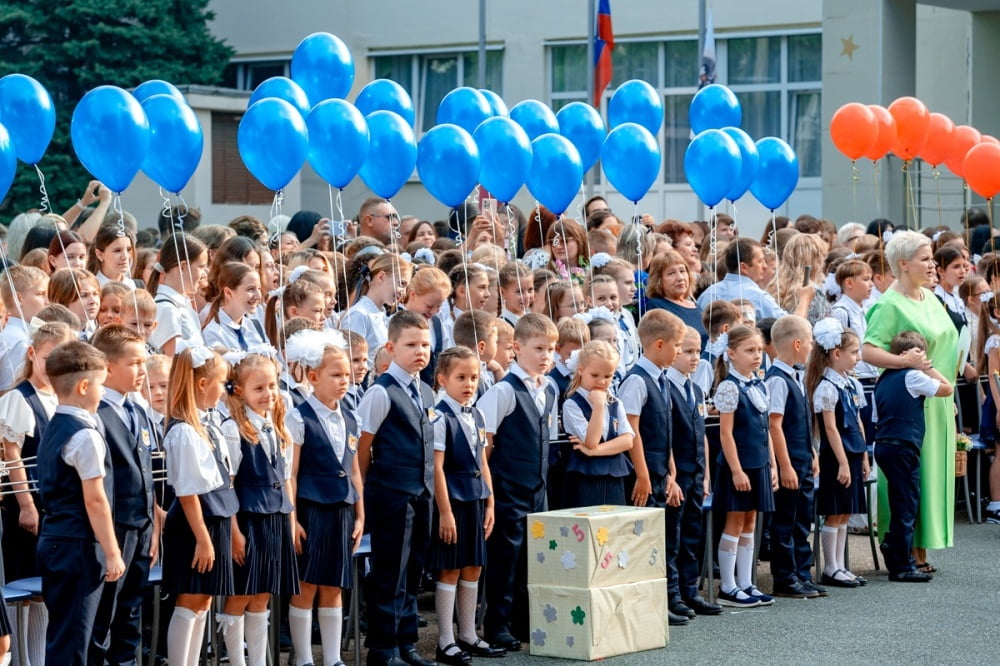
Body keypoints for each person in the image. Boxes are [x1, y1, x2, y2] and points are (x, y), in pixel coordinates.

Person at [863, 231, 959, 566]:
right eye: (924, 258)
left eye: (932, 257)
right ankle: (905, 550)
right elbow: (868, 349)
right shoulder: (888, 304)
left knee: (932, 474)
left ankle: (923, 545)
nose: (932, 264)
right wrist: (905, 362)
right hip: (911, 401)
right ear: (902, 264)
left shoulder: (929, 297)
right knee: (911, 476)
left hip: (940, 399)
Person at [37, 340, 125, 664]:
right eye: (101, 383)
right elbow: (95, 501)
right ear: (85, 385)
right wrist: (113, 552)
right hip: (79, 546)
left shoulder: (55, 424)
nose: (103, 391)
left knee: (74, 637)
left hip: (58, 541)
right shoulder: (84, 435)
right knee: (74, 642)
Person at [355, 310, 434, 666]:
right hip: (390, 494)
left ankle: (407, 643)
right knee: (389, 571)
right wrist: (366, 495)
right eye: (411, 344)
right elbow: (362, 449)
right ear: (391, 347)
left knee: (413, 569)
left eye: (425, 344)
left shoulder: (426, 391)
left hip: (422, 492)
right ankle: (383, 649)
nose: (420, 351)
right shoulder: (380, 392)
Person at [284, 330, 365, 666]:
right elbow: (290, 472)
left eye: (346, 374)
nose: (343, 380)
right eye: (335, 374)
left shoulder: (351, 416)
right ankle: (303, 658)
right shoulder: (298, 416)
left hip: (343, 509)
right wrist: (292, 520)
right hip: (311, 509)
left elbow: (356, 470)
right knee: (307, 585)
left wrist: (361, 514)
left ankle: (332, 659)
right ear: (314, 376)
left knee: (334, 585)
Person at [479, 314, 558, 651]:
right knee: (504, 560)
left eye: (551, 349)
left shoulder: (550, 388)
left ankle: (527, 624)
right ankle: (497, 625)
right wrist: (491, 495)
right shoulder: (502, 392)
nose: (546, 356)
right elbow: (485, 445)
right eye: (538, 348)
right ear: (516, 348)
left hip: (537, 489)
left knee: (534, 559)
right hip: (507, 488)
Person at [218, 349, 299, 666]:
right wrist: (235, 533)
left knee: (263, 594)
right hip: (249, 521)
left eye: (272, 386)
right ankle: (237, 660)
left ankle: (258, 661)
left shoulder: (279, 427)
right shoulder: (233, 428)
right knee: (240, 594)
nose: (268, 394)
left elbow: (287, 477)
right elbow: (229, 485)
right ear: (239, 390)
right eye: (258, 388)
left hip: (276, 520)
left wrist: (290, 521)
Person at [89, 325, 160, 665]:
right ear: (107, 366)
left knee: (131, 613)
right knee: (104, 615)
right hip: (112, 530)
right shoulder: (97, 414)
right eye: (134, 364)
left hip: (141, 528)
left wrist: (153, 523)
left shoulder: (138, 409)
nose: (142, 371)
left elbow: (146, 470)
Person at [429, 347, 505, 665]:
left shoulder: (477, 414)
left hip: (475, 498)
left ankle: (469, 634)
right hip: (452, 503)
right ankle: (445, 640)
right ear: (443, 379)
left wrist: (490, 501)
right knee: (450, 569)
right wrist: (445, 512)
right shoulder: (439, 417)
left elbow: (482, 461)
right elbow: (436, 468)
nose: (469, 383)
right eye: (461, 377)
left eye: (473, 377)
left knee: (473, 566)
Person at [162, 346, 237, 665]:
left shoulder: (208, 422)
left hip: (214, 519)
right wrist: (204, 539)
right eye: (222, 383)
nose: (225, 390)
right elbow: (188, 491)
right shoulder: (183, 430)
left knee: (203, 600)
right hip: (196, 526)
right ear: (203, 384)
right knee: (189, 600)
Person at [619, 310, 690, 624]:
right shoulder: (637, 380)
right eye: (678, 345)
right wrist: (644, 475)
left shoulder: (662, 378)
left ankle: (669, 598)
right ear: (659, 344)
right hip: (644, 479)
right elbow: (631, 430)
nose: (679, 351)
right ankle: (649, 604)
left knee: (666, 541)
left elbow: (668, 432)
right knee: (644, 543)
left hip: (664, 475)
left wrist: (672, 474)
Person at [874, 331, 952, 582]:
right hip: (903, 445)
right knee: (907, 503)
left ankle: (894, 547)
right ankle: (902, 564)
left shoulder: (883, 378)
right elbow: (947, 388)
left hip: (884, 443)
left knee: (901, 501)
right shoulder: (913, 376)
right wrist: (927, 366)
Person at [712, 325, 776, 608]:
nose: (757, 356)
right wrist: (736, 470)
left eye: (760, 350)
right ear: (732, 353)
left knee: (751, 522)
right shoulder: (729, 386)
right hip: (737, 466)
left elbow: (767, 429)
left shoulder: (760, 383)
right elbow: (726, 434)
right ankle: (728, 587)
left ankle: (747, 582)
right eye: (750, 351)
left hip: (758, 463)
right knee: (735, 522)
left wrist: (772, 464)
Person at [765, 316, 826, 599]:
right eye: (811, 341)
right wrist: (785, 465)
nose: (812, 346)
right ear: (798, 343)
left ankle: (803, 572)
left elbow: (801, 420)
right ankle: (785, 576)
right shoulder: (777, 380)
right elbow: (774, 425)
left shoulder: (796, 375)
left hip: (802, 457)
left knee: (803, 519)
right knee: (785, 521)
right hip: (789, 461)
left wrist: (812, 451)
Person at [807, 318, 868, 588]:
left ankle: (841, 565)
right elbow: (830, 429)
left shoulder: (851, 383)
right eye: (853, 353)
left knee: (846, 511)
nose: (858, 358)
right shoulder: (826, 387)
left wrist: (864, 455)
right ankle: (831, 567)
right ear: (836, 354)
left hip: (853, 453)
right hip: (836, 457)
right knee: (834, 511)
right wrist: (842, 462)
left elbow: (857, 421)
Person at [665, 326, 720, 616]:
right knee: (673, 536)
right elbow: (667, 438)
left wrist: (707, 473)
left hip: (697, 472)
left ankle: (690, 590)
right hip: (678, 473)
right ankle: (672, 594)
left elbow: (702, 435)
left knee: (692, 535)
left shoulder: (696, 389)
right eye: (687, 351)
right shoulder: (667, 387)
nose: (694, 357)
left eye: (697, 351)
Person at [560, 340, 634, 507]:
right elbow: (591, 441)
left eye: (608, 376)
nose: (601, 381)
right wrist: (599, 406)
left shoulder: (615, 403)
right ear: (581, 370)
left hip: (614, 476)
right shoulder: (572, 405)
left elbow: (627, 440)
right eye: (595, 375)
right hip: (586, 478)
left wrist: (594, 452)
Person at [696, 238, 813, 321]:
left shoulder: (707, 295)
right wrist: (804, 299)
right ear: (744, 267)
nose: (765, 266)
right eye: (760, 261)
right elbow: (793, 329)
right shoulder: (758, 297)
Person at [547, 317, 589, 511]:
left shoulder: (588, 377)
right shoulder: (553, 382)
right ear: (558, 350)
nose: (577, 358)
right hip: (563, 455)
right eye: (571, 353)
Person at [341, 253, 413, 359]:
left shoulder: (381, 314)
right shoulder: (359, 314)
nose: (404, 293)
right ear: (381, 277)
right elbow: (351, 359)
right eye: (401, 284)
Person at [148, 234, 210, 356]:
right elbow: (175, 361)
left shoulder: (183, 303)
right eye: (201, 267)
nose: (205, 273)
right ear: (182, 266)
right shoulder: (167, 309)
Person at [0, 265, 49, 391]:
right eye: (40, 294)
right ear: (18, 299)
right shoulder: (19, 341)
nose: (47, 301)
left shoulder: (18, 334)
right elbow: (10, 389)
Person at [645, 250, 707, 348]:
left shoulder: (695, 306)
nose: (680, 277)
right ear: (658, 280)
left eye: (682, 271)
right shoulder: (657, 307)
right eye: (671, 273)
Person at [402, 266, 451, 387]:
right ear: (413, 294)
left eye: (438, 307)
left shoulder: (437, 326)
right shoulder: (396, 323)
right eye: (429, 306)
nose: (433, 311)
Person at [202, 262, 266, 351]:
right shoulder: (213, 332)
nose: (258, 296)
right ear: (228, 293)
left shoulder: (255, 326)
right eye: (250, 289)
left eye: (259, 288)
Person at [88, 223, 138, 289]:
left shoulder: (131, 284)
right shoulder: (92, 287)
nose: (125, 256)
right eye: (117, 250)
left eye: (128, 249)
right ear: (100, 255)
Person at [498, 262, 533, 328]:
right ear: (502, 292)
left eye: (530, 290)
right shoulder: (503, 326)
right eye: (519, 292)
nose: (527, 296)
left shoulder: (532, 319)